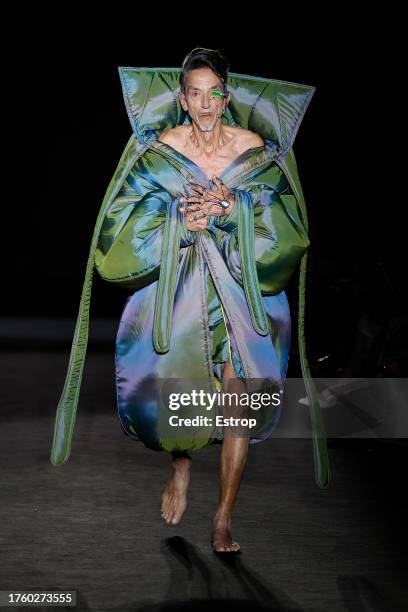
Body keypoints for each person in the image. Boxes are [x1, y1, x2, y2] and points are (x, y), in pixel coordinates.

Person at [51, 47, 330, 553]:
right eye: (194, 94)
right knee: (183, 397)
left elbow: (288, 230)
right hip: (180, 288)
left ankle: (223, 517)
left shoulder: (256, 149)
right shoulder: (161, 150)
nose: (204, 104)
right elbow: (121, 229)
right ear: (182, 99)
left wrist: (235, 208)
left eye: (214, 93)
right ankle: (181, 468)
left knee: (236, 401)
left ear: (227, 97)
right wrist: (180, 224)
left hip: (242, 288)